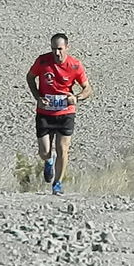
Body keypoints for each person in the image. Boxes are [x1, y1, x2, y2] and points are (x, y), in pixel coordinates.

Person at [26, 33, 92, 195]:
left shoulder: (75, 65)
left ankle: (57, 184)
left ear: (67, 48)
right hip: (45, 112)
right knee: (44, 152)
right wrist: (37, 97)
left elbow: (88, 89)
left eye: (60, 49)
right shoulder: (42, 61)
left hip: (65, 112)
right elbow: (30, 77)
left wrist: (76, 98)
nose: (57, 53)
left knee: (63, 148)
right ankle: (49, 161)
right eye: (54, 49)